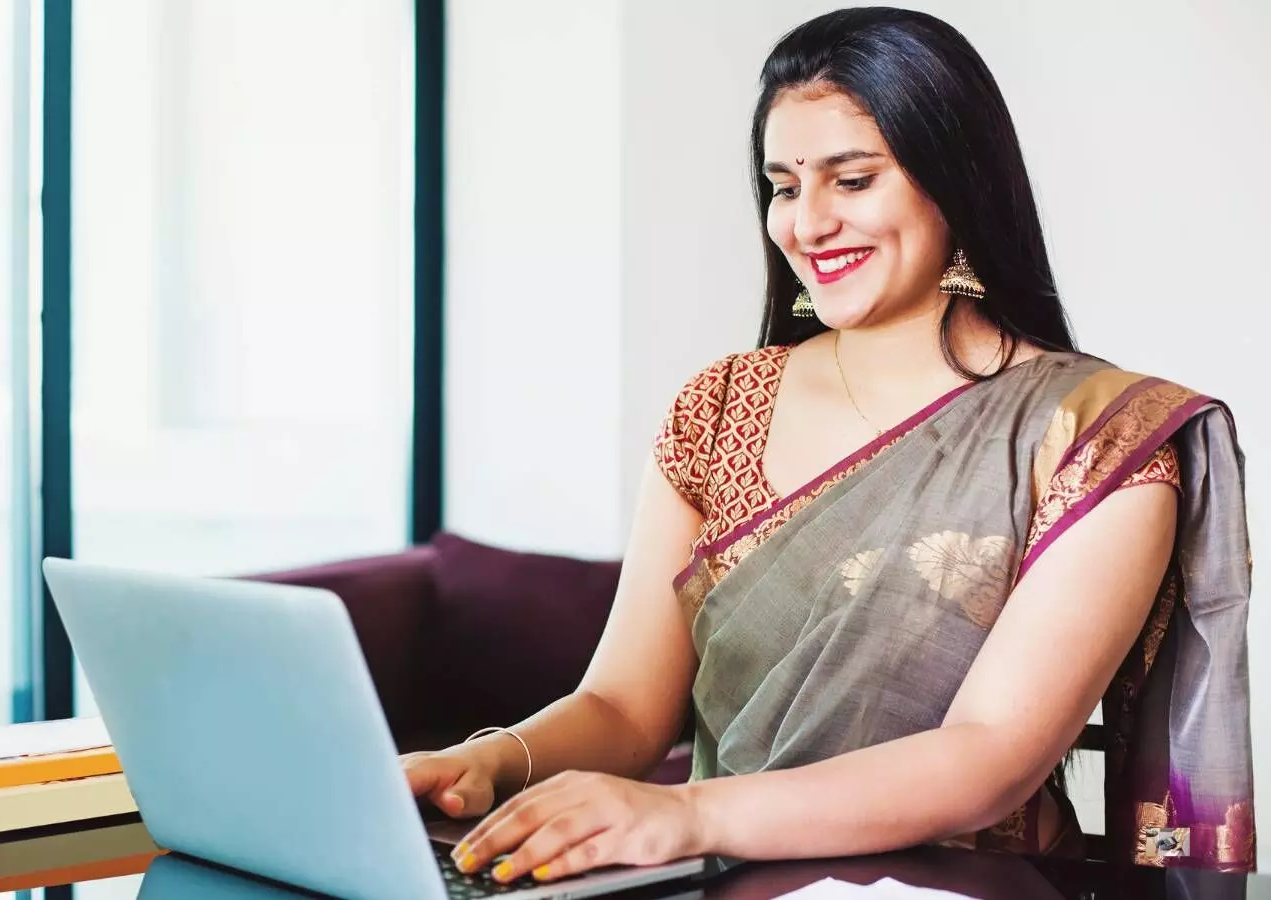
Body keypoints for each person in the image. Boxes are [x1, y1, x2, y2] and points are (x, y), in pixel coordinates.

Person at [401, 6, 1255, 881]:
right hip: (732, 883)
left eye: (851, 181)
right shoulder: (720, 407)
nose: (805, 225)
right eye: (782, 185)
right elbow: (623, 708)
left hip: (967, 888)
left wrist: (685, 813)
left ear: (954, 185)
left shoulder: (1095, 438)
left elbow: (989, 758)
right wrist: (491, 761)